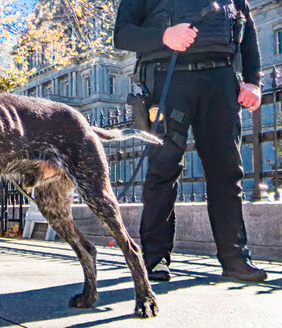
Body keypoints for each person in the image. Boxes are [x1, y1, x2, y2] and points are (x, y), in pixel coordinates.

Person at [114, 0, 267, 282]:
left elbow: (246, 28)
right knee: (163, 168)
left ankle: (235, 259)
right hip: (167, 78)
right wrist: (164, 36)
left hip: (220, 79)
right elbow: (122, 34)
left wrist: (252, 81)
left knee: (227, 171)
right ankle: (155, 259)